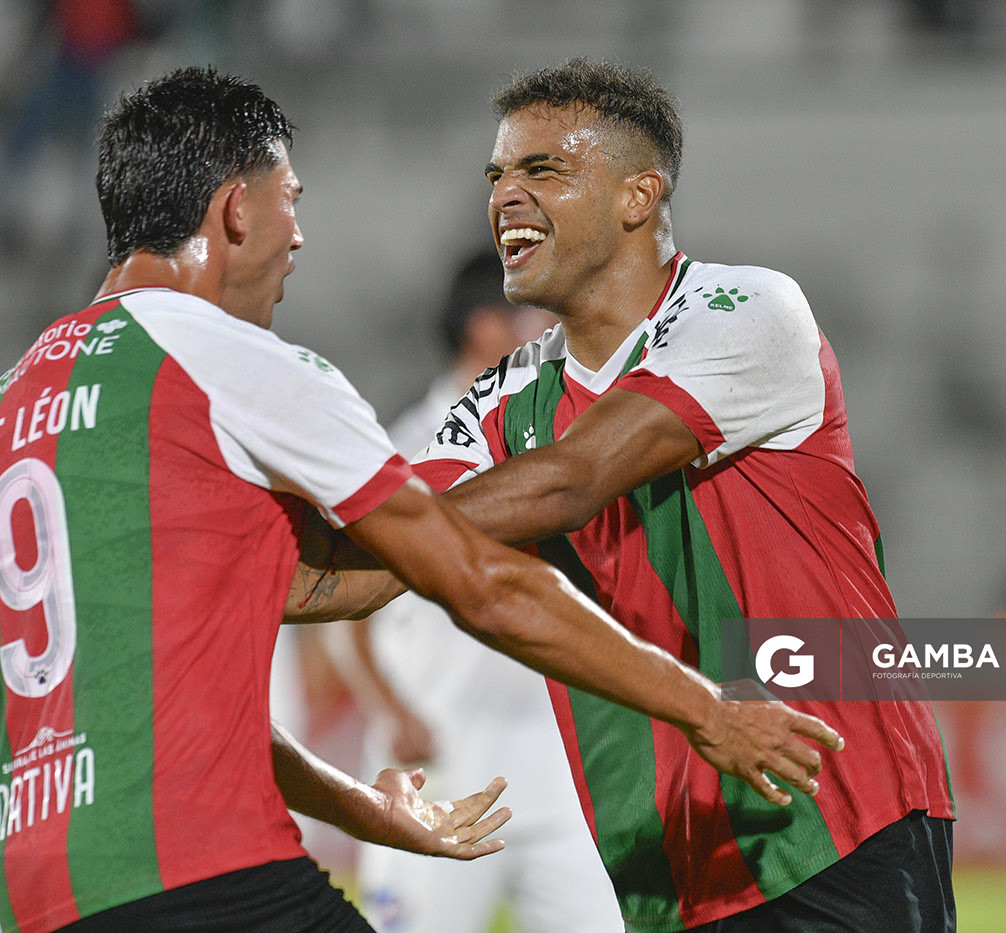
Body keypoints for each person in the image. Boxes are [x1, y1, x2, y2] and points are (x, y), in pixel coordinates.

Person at [0, 66, 841, 933]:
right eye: (290, 198)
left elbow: (157, 700)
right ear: (236, 208)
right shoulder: (231, 364)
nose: (297, 235)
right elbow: (483, 586)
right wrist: (704, 710)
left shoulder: (9, 408)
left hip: (43, 885)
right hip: (208, 867)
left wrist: (358, 809)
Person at [312, 59, 956, 932]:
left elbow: (572, 482)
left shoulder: (749, 311)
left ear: (637, 195)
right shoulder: (504, 397)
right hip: (670, 863)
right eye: (496, 175)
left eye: (542, 170)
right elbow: (363, 568)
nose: (505, 196)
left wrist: (403, 533)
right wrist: (214, 581)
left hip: (832, 814)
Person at [344, 251, 621, 933]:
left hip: (557, 760)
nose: (549, 331)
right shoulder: (404, 451)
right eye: (532, 313)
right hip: (443, 756)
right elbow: (346, 606)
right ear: (483, 329)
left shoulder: (560, 446)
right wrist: (391, 710)